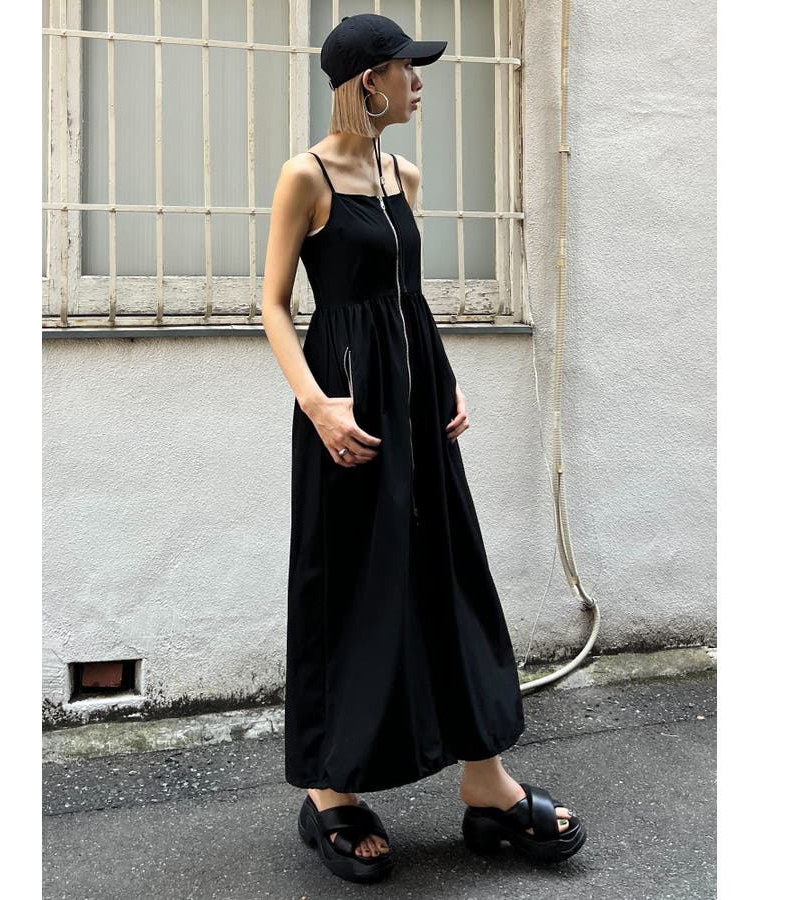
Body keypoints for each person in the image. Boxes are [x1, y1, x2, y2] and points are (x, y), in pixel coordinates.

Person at [261, 13, 587, 884]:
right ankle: (330, 788)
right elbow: (273, 304)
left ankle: (485, 781)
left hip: (417, 404)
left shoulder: (402, 175)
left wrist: (445, 380)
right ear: (368, 80)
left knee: (448, 571)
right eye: (409, 69)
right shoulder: (305, 176)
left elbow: (407, 296)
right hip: (346, 406)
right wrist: (318, 406)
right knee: (347, 584)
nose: (419, 83)